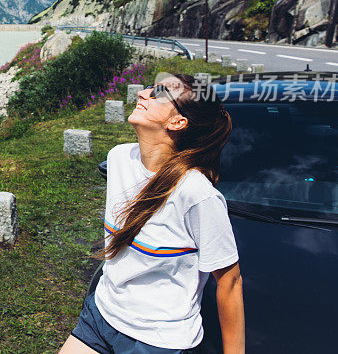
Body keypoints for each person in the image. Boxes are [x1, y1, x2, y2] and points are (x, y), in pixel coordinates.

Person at [60, 73, 244, 354]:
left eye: (157, 93)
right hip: (100, 315)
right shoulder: (119, 157)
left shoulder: (196, 194)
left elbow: (229, 282)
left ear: (177, 122)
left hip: (157, 340)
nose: (142, 94)